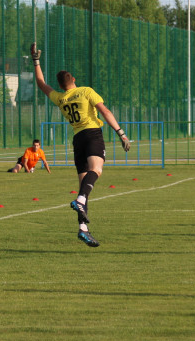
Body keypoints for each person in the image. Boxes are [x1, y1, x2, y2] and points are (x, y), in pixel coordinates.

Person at [31, 43, 130, 247]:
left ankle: (83, 229)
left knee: (84, 185)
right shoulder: (86, 91)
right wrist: (121, 133)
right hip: (93, 134)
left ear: (60, 85)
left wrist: (35, 61)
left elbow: (41, 83)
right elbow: (105, 111)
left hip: (77, 139)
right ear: (73, 79)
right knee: (96, 171)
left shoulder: (61, 98)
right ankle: (80, 201)